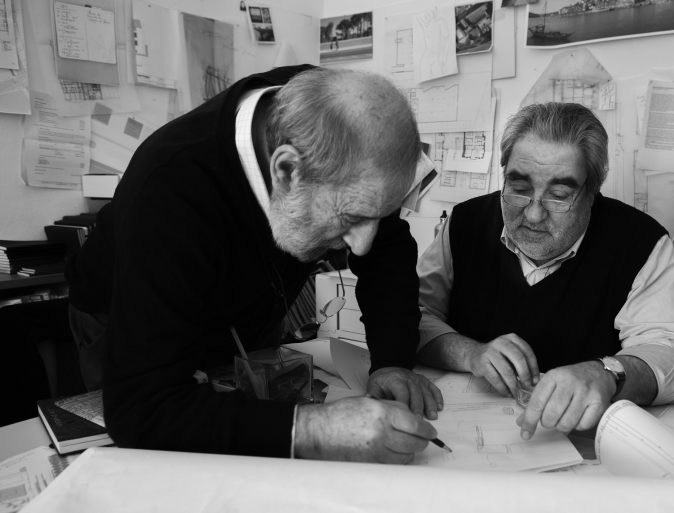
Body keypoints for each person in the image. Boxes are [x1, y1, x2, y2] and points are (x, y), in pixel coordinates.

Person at [66, 65, 443, 463]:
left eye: (378, 216)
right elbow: (143, 408)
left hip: (246, 306)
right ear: (286, 171)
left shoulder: (335, 121)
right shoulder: (169, 192)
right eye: (351, 218)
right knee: (156, 457)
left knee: (249, 439)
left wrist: (391, 362)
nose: (362, 246)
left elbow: (388, 252)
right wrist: (317, 429)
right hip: (128, 316)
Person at [416, 102, 674, 440]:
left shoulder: (640, 242)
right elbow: (411, 315)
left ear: (592, 191)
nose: (535, 215)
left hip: (588, 443)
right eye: (519, 189)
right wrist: (469, 353)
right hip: (466, 434)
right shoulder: (465, 224)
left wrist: (609, 373)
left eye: (559, 195)